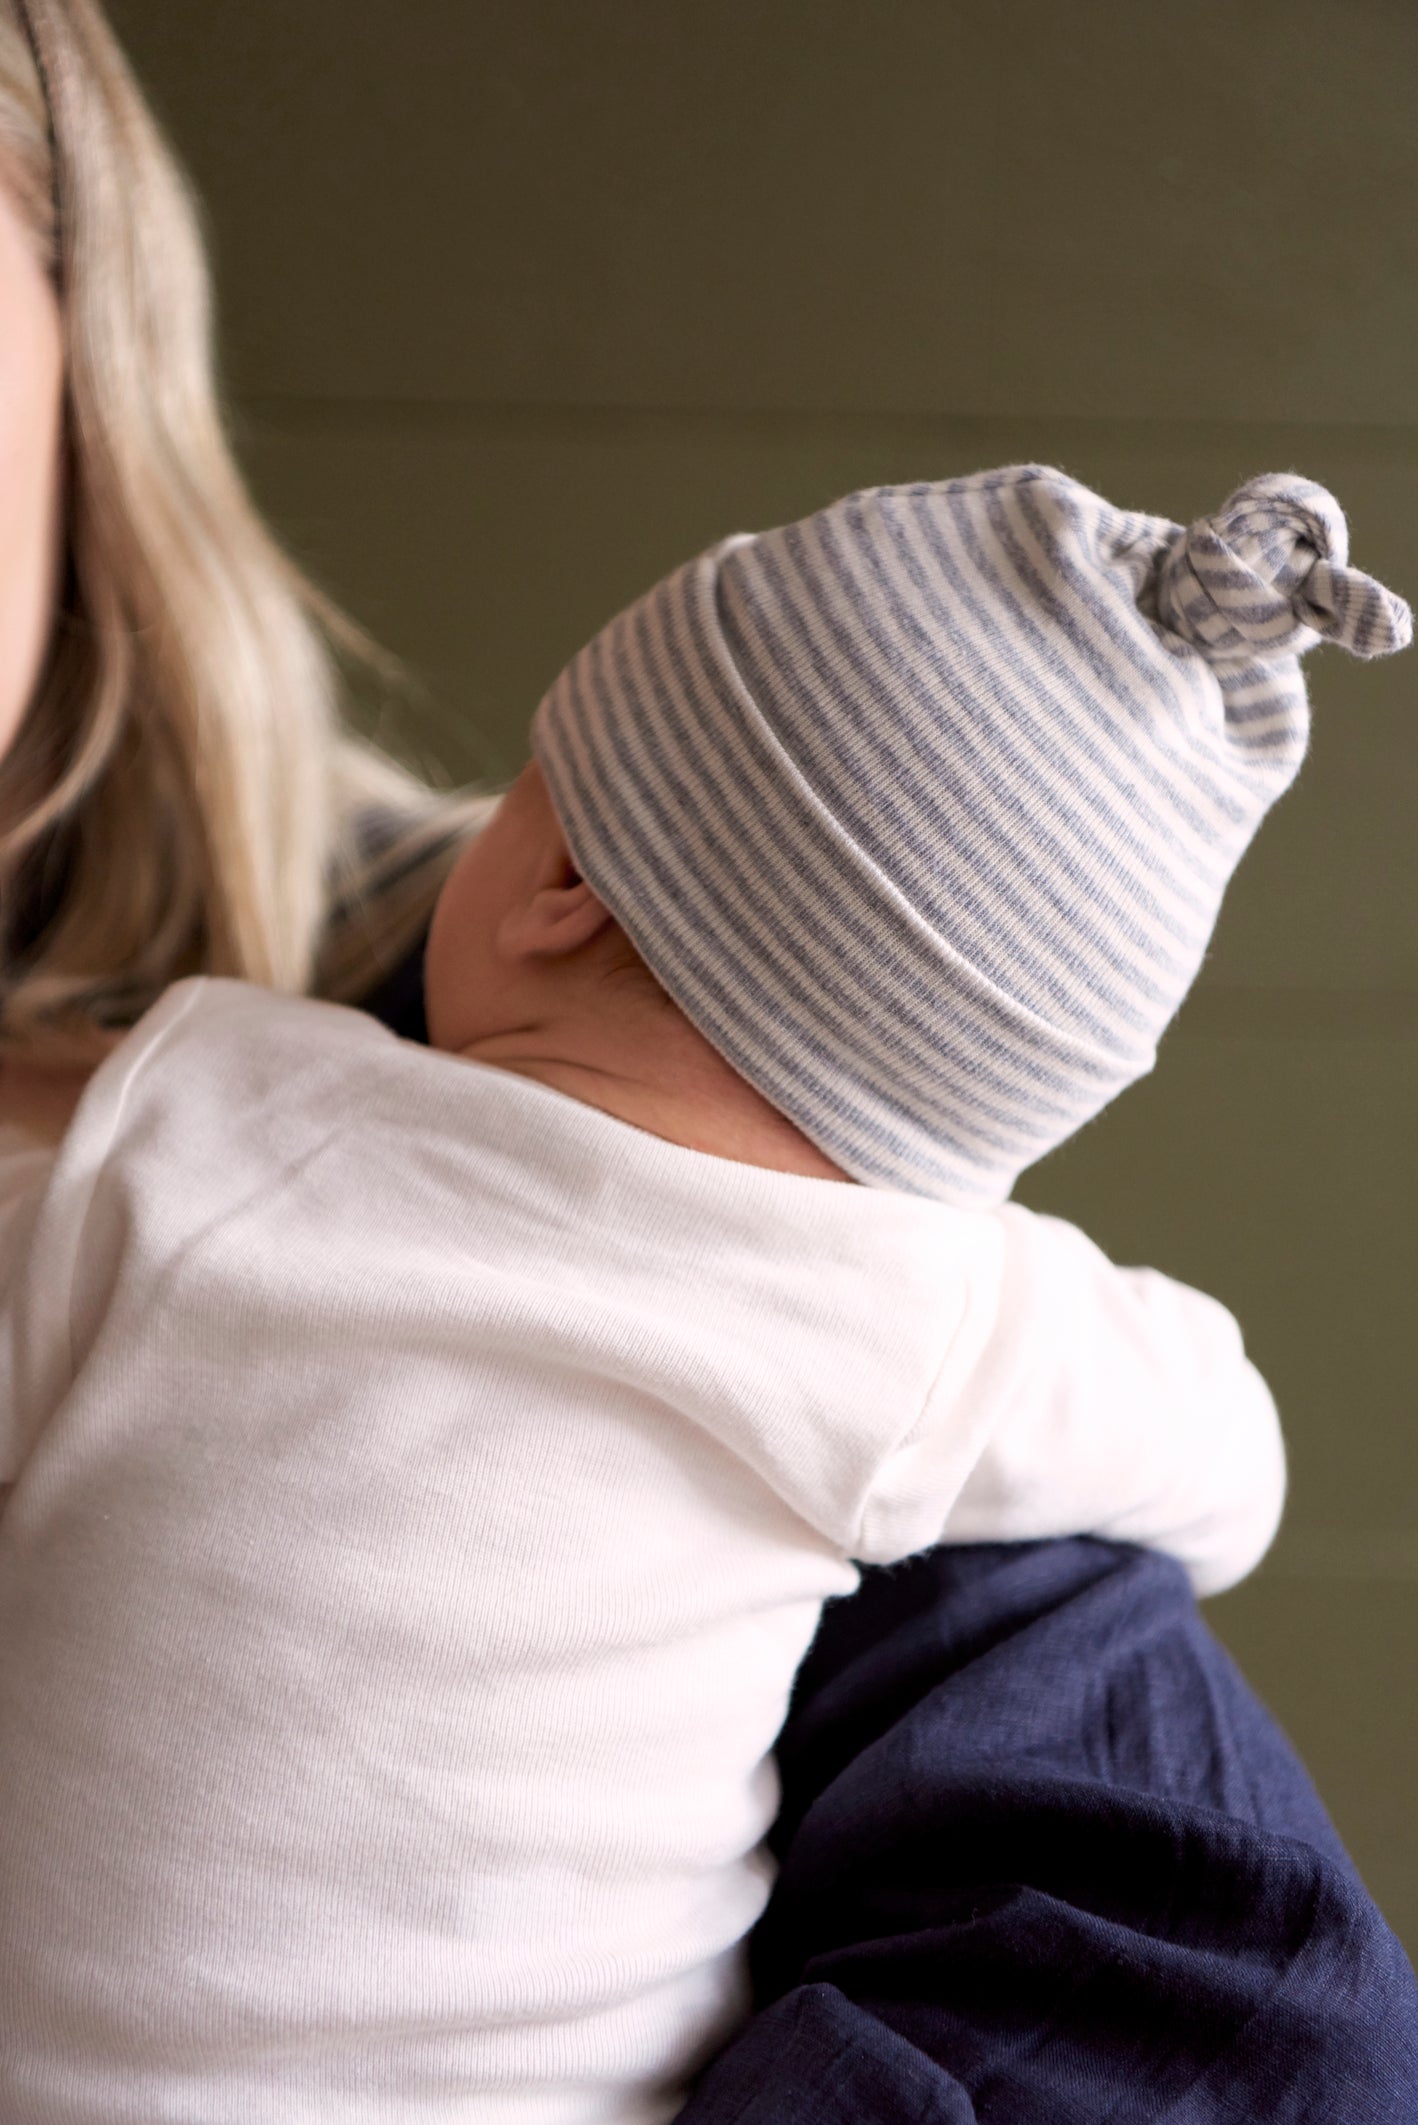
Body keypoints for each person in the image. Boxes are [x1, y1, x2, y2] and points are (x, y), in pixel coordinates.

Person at [0, 4, 1414, 2120]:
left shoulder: (207, 1098)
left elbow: (1227, 2014)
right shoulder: (935, 1331)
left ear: (540, 879)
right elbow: (1224, 1443)